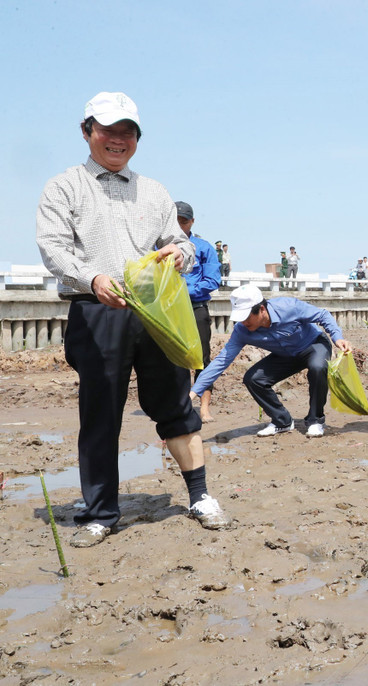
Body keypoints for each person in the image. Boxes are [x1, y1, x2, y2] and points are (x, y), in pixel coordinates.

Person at [36, 91, 230, 547]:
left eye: (127, 131)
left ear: (137, 139)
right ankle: (101, 512)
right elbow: (54, 248)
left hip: (154, 312)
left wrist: (179, 253)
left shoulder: (156, 190)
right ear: (87, 132)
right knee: (100, 412)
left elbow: (179, 241)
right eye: (107, 129)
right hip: (95, 309)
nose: (117, 139)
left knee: (175, 403)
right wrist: (93, 277)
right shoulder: (65, 187)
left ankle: (200, 496)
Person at [191, 285, 351, 438]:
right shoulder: (242, 331)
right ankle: (282, 421)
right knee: (253, 379)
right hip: (285, 356)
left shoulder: (289, 307)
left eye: (246, 317)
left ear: (261, 309)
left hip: (312, 344)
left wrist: (337, 338)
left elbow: (323, 315)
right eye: (240, 318)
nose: (243, 323)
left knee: (317, 367)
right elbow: (221, 362)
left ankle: (315, 420)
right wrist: (192, 393)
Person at [175, 201, 221, 422]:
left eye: (183, 222)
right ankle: (177, 405)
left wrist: (184, 291)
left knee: (202, 359)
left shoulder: (204, 247)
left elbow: (213, 280)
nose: (179, 226)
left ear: (191, 222)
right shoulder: (157, 248)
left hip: (195, 308)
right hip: (169, 313)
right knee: (171, 358)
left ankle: (204, 408)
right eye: (175, 222)